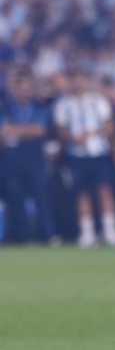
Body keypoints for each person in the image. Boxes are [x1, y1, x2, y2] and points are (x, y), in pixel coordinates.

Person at [53, 70, 115, 248]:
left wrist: (93, 134)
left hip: (99, 152)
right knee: (81, 193)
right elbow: (60, 130)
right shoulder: (63, 104)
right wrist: (74, 139)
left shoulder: (99, 101)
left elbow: (109, 125)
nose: (79, 83)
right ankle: (87, 232)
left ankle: (110, 231)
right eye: (75, 79)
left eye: (82, 79)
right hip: (76, 154)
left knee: (104, 190)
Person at [0, 66, 54, 243]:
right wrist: (26, 130)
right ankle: (21, 236)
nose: (25, 91)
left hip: (34, 157)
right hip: (13, 158)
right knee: (16, 197)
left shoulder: (38, 106)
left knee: (41, 197)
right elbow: (4, 132)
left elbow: (40, 130)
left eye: (27, 87)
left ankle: (47, 234)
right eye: (21, 87)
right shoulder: (6, 107)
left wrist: (16, 131)